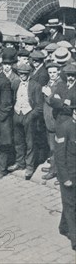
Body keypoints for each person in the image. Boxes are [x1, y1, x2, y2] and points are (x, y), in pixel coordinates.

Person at [9, 63, 44, 180]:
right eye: (20, 74)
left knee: (30, 142)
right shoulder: (15, 83)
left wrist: (30, 116)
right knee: (18, 141)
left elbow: (39, 106)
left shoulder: (35, 86)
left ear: (29, 73)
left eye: (24, 74)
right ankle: (20, 162)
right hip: (17, 114)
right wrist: (14, 112)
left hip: (29, 115)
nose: (22, 76)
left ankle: (29, 167)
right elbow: (13, 98)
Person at [55, 104, 76, 251]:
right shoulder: (65, 127)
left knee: (70, 203)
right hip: (69, 174)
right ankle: (75, 240)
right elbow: (59, 156)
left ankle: (64, 226)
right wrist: (64, 177)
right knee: (71, 206)